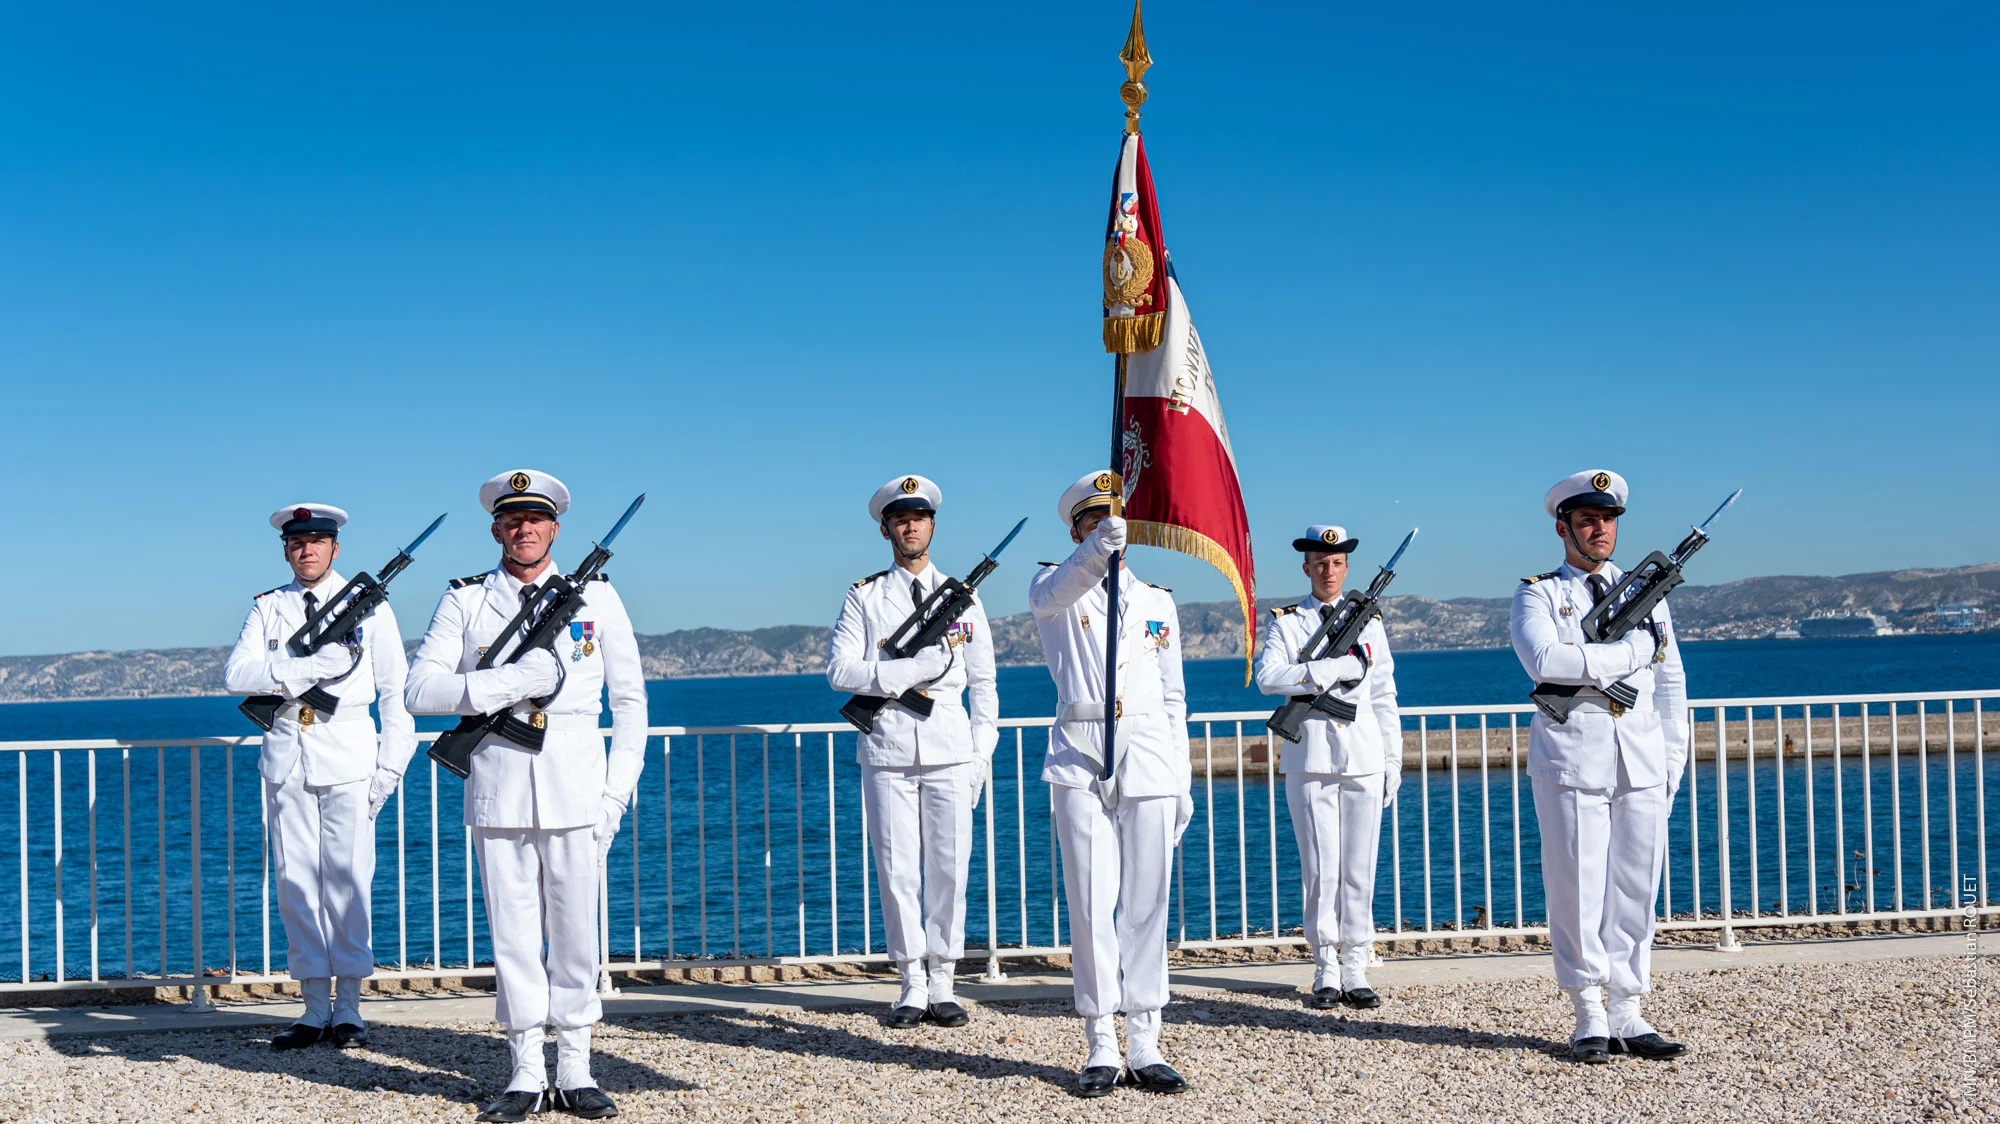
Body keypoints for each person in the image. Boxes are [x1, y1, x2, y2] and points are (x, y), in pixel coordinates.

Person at [405, 470, 647, 1122]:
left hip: (576, 793)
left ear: (554, 527)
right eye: (512, 519)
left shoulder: (597, 598)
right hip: (498, 791)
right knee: (512, 939)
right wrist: (505, 683)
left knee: (575, 938)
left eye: (535, 518)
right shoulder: (464, 601)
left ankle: (575, 1067)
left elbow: (630, 706)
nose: (524, 529)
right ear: (496, 528)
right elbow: (419, 691)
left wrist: (615, 798)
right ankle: (523, 1071)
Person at [1510, 470, 1689, 1064]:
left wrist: (1672, 761)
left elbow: (1670, 686)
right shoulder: (1538, 594)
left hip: (1639, 762)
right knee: (1578, 889)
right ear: (1563, 527)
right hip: (1572, 762)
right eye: (1587, 520)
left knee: (1637, 890)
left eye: (1607, 519)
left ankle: (1629, 1010)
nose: (1600, 529)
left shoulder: (1647, 597)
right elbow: (1545, 660)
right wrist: (1629, 651)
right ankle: (1588, 1010)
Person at [223, 503, 417, 1051]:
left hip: (351, 759)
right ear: (287, 549)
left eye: (315, 541)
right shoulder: (268, 608)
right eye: (296, 542)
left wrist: (390, 767)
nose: (305, 549)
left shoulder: (370, 610)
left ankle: (349, 1006)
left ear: (335, 548)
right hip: (287, 761)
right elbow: (236, 674)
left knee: (350, 882)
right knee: (295, 885)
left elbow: (394, 698)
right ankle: (312, 1008)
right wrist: (307, 667)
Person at [1028, 470, 1193, 1098]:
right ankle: (1101, 1038)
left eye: (1112, 521)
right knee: (1093, 902)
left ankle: (1146, 1037)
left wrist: (1180, 778)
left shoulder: (1157, 601)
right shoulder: (1058, 587)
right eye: (1091, 522)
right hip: (1080, 749)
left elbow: (1174, 697)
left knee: (1148, 902)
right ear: (1074, 530)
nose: (1105, 530)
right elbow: (1055, 591)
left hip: (1149, 749)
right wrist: (1094, 553)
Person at [826, 474, 999, 1028]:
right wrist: (907, 671)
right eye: (900, 518)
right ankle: (911, 983)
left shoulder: (964, 599)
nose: (910, 526)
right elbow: (840, 671)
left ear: (932, 525)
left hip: (950, 750)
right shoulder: (865, 595)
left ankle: (945, 980)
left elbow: (986, 686)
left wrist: (981, 756)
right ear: (886, 529)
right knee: (898, 871)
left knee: (949, 870)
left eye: (918, 517)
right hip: (888, 750)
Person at [1254, 525, 1401, 1010]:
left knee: (1359, 868)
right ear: (1306, 567)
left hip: (1362, 758)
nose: (1329, 571)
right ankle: (1325, 967)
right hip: (1310, 758)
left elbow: (1383, 698)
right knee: (1321, 870)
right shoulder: (1289, 622)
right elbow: (1268, 677)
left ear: (1346, 568)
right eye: (1320, 563)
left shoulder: (1370, 624)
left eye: (1337, 563)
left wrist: (1391, 759)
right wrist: (1327, 669)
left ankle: (1356, 963)